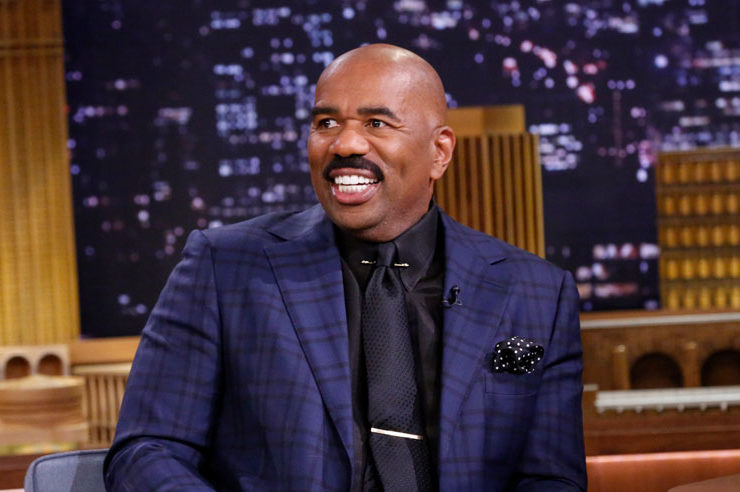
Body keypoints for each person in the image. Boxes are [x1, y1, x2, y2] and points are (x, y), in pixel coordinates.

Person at [104, 43, 586, 491]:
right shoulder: (225, 267)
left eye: (376, 123)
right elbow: (146, 450)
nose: (345, 144)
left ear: (439, 152)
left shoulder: (536, 293)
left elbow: (551, 479)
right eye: (326, 123)